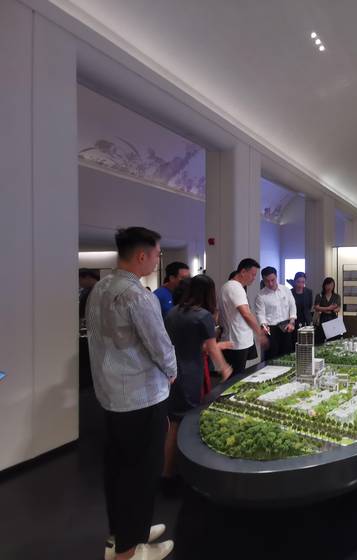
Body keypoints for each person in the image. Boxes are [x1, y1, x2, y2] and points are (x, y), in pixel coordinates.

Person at [86, 227, 176, 560]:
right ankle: (130, 551)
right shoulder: (138, 295)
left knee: (118, 470)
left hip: (111, 396)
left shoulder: (100, 288)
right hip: (141, 397)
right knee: (141, 472)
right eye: (156, 254)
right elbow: (160, 345)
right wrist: (172, 370)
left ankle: (124, 534)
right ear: (141, 255)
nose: (157, 260)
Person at [163, 275, 233, 480]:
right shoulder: (203, 316)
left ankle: (168, 471)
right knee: (187, 421)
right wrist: (225, 368)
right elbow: (210, 348)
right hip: (190, 373)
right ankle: (179, 472)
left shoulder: (173, 312)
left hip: (171, 371)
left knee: (174, 422)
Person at [219, 258, 268, 376]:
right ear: (243, 272)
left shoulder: (227, 286)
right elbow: (246, 313)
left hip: (235, 338)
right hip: (237, 340)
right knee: (236, 377)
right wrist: (260, 333)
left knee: (235, 375)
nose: (254, 278)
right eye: (252, 274)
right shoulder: (235, 287)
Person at [255, 266, 297, 361]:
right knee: (271, 357)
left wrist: (292, 322)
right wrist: (264, 327)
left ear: (276, 277)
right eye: (267, 281)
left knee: (287, 356)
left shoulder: (285, 290)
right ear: (263, 280)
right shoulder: (261, 296)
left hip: (286, 327)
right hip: (271, 329)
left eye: (272, 280)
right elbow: (260, 314)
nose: (270, 283)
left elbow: (292, 306)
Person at [313, 277, 342, 345]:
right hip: (322, 318)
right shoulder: (319, 295)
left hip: (333, 318)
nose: (329, 287)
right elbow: (316, 307)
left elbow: (338, 309)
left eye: (331, 285)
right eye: (328, 285)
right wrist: (329, 308)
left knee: (334, 341)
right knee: (320, 340)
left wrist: (323, 309)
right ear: (324, 285)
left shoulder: (336, 296)